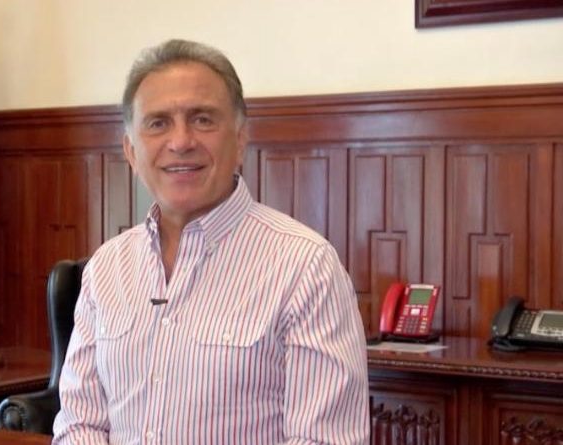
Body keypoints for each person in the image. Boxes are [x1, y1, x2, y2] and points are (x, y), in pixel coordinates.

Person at [53, 39, 369, 444]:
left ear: (239, 140)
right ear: (131, 152)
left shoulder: (306, 268)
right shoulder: (106, 268)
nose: (181, 141)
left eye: (202, 120)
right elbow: (80, 423)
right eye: (158, 123)